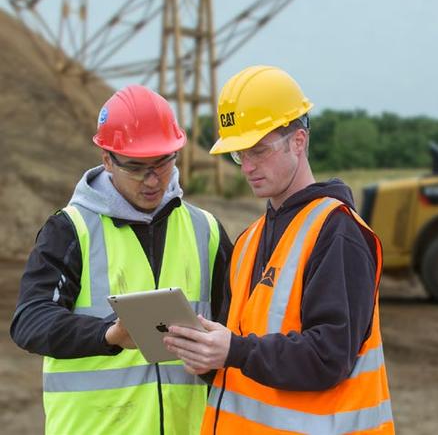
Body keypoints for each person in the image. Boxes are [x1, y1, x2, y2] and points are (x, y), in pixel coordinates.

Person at [163, 65, 394, 434]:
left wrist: (234, 351)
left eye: (258, 150)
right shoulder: (249, 240)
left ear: (298, 141)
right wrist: (207, 357)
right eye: (240, 154)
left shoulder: (338, 232)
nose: (248, 167)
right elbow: (240, 351)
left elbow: (328, 357)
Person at [9, 85, 234, 434]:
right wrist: (108, 334)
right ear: (107, 160)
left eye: (162, 162)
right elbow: (30, 321)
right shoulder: (71, 229)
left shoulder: (205, 230)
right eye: (136, 167)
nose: (152, 179)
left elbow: (237, 328)